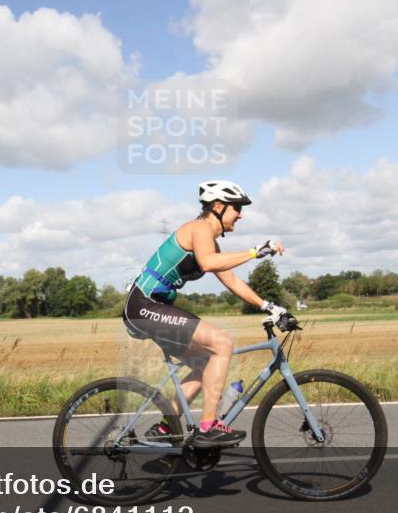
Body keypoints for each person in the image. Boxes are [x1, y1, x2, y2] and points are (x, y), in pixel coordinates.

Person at [123, 180, 288, 448]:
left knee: (205, 362)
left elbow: (232, 282)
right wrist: (255, 252)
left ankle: (166, 427)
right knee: (222, 344)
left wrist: (269, 306)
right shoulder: (199, 228)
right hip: (143, 305)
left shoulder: (210, 241)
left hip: (154, 306)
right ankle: (208, 428)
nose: (240, 215)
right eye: (237, 208)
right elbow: (208, 263)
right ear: (219, 207)